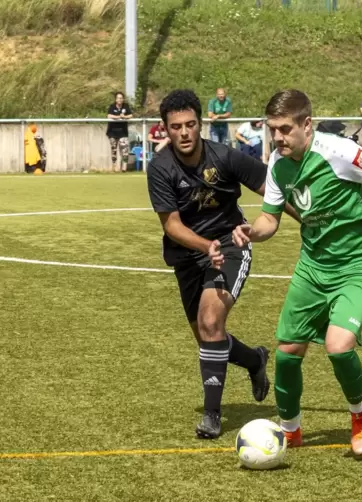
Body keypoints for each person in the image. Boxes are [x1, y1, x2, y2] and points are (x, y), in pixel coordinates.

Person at [227, 89, 362, 456]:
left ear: (306, 124)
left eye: (285, 129)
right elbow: (270, 218)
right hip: (314, 265)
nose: (278, 138)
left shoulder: (339, 152)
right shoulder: (278, 165)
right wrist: (254, 231)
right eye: (273, 130)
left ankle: (360, 416)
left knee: (338, 345)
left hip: (359, 262)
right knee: (287, 350)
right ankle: (290, 430)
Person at [146, 89, 275, 439]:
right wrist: (205, 246)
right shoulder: (160, 168)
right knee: (207, 336)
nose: (184, 133)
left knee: (210, 321)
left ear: (200, 124)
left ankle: (212, 416)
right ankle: (254, 360)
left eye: (190, 125)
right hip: (188, 256)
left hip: (231, 246)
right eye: (176, 127)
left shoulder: (225, 157)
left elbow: (272, 187)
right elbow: (171, 225)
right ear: (166, 130)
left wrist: (308, 219)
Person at [106, 92, 133, 172]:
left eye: (121, 98)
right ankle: (114, 167)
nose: (120, 99)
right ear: (116, 99)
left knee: (125, 149)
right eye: (118, 98)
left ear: (123, 99)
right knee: (114, 149)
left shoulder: (126, 106)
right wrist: (118, 117)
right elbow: (109, 115)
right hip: (112, 132)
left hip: (123, 132)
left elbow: (131, 115)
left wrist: (124, 117)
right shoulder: (112, 106)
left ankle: (124, 168)